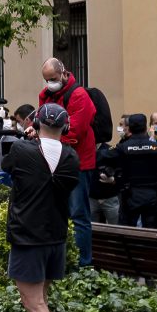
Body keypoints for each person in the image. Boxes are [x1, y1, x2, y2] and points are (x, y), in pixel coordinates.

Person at [2, 103, 79, 312]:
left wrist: (26, 137)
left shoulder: (23, 150)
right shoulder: (71, 156)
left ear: (35, 122)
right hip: (55, 236)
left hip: (27, 235)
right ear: (65, 127)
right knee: (41, 300)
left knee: (32, 302)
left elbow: (6, 165)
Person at [39, 58, 96, 266]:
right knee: (59, 214)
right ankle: (64, 261)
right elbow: (42, 124)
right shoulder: (45, 96)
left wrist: (45, 137)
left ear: (64, 73)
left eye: (53, 79)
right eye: (46, 80)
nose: (50, 84)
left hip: (79, 163)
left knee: (78, 214)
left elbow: (75, 132)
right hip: (55, 163)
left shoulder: (79, 95)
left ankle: (83, 263)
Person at [99, 113, 157, 228]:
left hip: (130, 195)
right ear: (146, 127)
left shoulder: (123, 147)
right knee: (154, 230)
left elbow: (102, 156)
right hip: (152, 195)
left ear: (130, 128)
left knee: (127, 230)